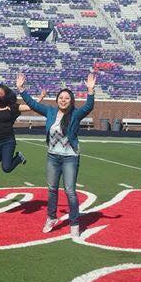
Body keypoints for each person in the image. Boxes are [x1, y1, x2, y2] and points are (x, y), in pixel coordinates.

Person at [16, 72, 96, 238]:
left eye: (67, 98)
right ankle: (51, 218)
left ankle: (74, 223)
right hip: (53, 156)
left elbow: (88, 107)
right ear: (57, 99)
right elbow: (32, 104)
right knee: (52, 189)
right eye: (61, 98)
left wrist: (90, 90)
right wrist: (21, 89)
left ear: (71, 100)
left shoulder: (75, 114)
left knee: (70, 191)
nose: (63, 100)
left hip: (70, 157)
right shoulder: (50, 112)